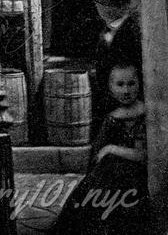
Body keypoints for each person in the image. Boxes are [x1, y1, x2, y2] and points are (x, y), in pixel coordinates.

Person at [52, 62, 149, 233]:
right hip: (108, 173)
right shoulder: (112, 116)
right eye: (120, 85)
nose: (126, 90)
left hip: (131, 176)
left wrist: (111, 149)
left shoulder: (141, 113)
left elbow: (142, 155)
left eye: (131, 84)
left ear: (139, 83)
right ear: (111, 88)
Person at [83, 0, 142, 140]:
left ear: (109, 7)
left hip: (125, 112)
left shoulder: (131, 33)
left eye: (99, 3)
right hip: (106, 106)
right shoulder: (105, 30)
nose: (96, 6)